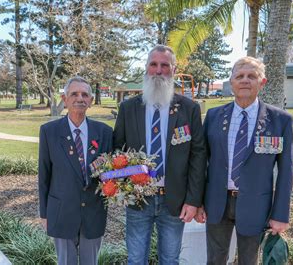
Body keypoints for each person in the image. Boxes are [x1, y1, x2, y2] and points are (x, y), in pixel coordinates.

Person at [113, 44, 207, 264]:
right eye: (153, 64)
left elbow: (198, 156)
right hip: (138, 200)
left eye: (164, 65)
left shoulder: (189, 109)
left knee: (170, 260)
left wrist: (193, 200)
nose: (158, 70)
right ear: (146, 68)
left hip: (174, 201)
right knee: (136, 260)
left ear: (173, 70)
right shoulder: (128, 108)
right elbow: (117, 150)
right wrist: (124, 186)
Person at [196, 56, 293, 265]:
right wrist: (197, 202)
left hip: (256, 205)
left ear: (262, 82)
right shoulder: (213, 116)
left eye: (252, 76)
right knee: (214, 260)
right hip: (216, 204)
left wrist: (280, 214)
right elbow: (202, 162)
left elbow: (286, 171)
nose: (245, 80)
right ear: (231, 82)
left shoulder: (280, 121)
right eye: (239, 76)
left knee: (249, 261)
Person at [38, 76, 113, 265]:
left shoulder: (104, 132)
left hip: (94, 213)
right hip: (61, 212)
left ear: (91, 100)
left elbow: (111, 171)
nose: (80, 98)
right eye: (74, 94)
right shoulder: (49, 131)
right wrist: (44, 213)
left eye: (85, 94)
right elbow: (44, 175)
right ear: (65, 99)